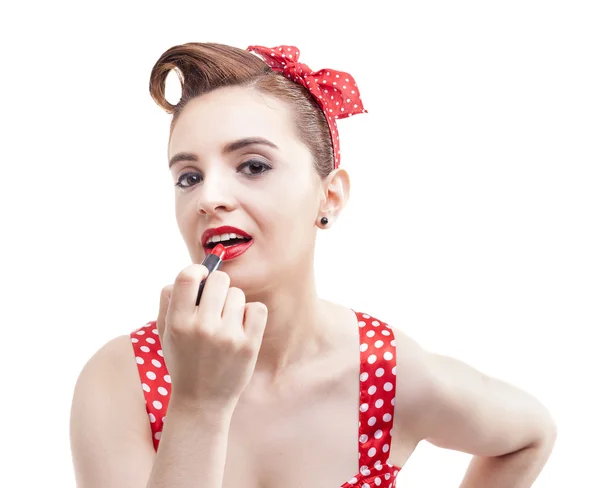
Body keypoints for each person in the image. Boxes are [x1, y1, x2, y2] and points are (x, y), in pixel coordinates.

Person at [69, 42, 557, 488]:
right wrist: (198, 403)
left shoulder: (383, 372)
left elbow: (529, 435)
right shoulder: (122, 381)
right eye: (189, 176)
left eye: (253, 166)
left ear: (330, 195)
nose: (209, 198)